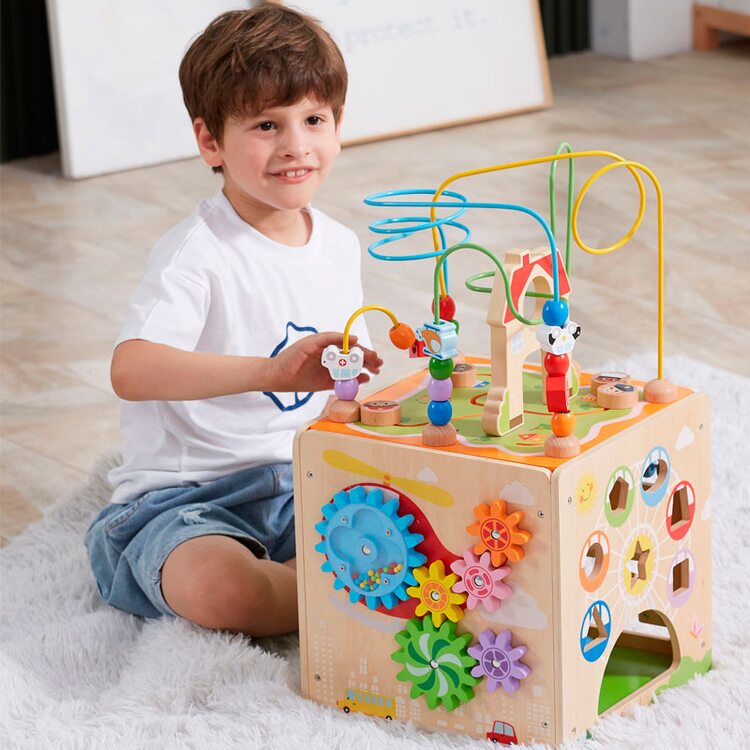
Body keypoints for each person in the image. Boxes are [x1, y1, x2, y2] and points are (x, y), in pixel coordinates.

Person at [85, 3, 381, 638]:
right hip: (186, 502)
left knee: (417, 520)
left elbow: (342, 388)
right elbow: (130, 370)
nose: (296, 145)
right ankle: (332, 592)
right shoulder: (197, 253)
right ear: (210, 142)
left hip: (304, 482)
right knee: (223, 590)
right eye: (267, 125)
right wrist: (269, 373)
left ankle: (323, 584)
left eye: (314, 119)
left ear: (338, 125)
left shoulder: (338, 244)